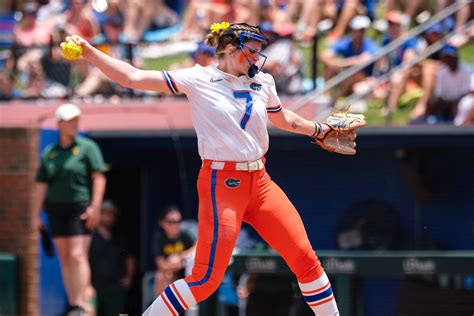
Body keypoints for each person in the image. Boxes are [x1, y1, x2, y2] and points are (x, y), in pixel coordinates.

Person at [63, 21, 343, 315]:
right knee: (205, 279)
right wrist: (90, 53)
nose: (257, 58)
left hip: (260, 182)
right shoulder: (199, 78)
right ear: (232, 49)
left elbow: (283, 118)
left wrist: (319, 129)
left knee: (306, 260)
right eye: (252, 50)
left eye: (260, 51)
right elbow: (133, 77)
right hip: (222, 183)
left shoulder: (265, 82)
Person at [33, 103, 107, 316]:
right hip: (55, 209)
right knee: (65, 258)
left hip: (80, 207)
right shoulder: (50, 153)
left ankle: (83, 303)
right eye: (69, 120)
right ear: (59, 124)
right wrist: (36, 214)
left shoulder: (87, 147)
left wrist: (95, 206)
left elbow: (99, 176)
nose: (74, 124)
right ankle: (75, 304)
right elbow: (41, 185)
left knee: (77, 255)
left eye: (76, 120)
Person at [89, 200, 136, 316]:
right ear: (99, 215)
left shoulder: (119, 237)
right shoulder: (90, 237)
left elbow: (129, 258)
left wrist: (129, 277)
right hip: (94, 286)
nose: (109, 217)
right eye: (106, 213)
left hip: (115, 286)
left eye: (112, 214)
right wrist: (86, 284)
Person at [320, 15, 378, 98]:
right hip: (346, 75)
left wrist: (341, 63)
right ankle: (326, 95)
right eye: (357, 30)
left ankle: (339, 98)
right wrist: (332, 63)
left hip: (363, 77)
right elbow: (324, 55)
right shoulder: (346, 42)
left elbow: (364, 59)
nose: (359, 33)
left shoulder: (370, 45)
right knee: (330, 67)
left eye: (362, 30)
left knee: (354, 72)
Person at [153, 206, 196, 296]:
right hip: (170, 272)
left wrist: (180, 257)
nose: (175, 225)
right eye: (171, 222)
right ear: (162, 223)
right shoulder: (159, 237)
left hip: (186, 271)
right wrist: (172, 266)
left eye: (178, 222)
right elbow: (160, 263)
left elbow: (197, 246)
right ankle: (163, 307)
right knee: (161, 276)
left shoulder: (184, 234)